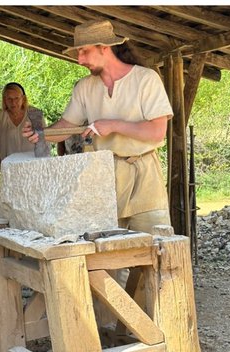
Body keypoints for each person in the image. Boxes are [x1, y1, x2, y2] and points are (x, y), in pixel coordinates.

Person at [23, 19, 173, 234]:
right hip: (102, 179)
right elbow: (67, 125)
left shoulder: (146, 79)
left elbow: (157, 132)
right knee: (109, 253)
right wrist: (41, 134)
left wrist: (113, 125)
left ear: (105, 48)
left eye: (84, 51)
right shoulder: (85, 87)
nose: (79, 60)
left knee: (155, 249)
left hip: (145, 178)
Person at [0, 82, 43, 177]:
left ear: (23, 99)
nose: (13, 102)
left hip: (32, 167)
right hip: (9, 169)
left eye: (16, 98)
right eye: (9, 99)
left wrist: (44, 164)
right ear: (4, 100)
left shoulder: (34, 114)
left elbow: (44, 142)